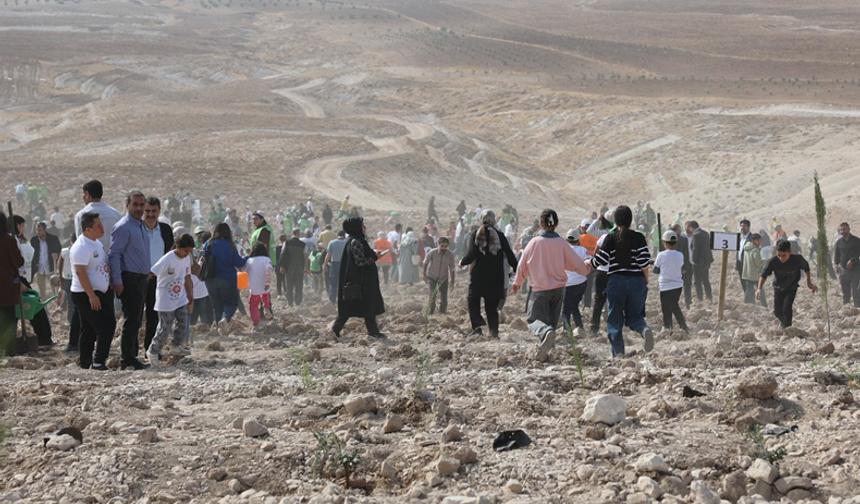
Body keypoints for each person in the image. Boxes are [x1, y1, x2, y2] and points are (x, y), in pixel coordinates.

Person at [514, 210, 589, 361]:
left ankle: (545, 337)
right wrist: (585, 269)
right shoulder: (562, 242)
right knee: (551, 324)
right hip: (559, 290)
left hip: (540, 289)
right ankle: (548, 353)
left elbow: (523, 265)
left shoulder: (534, 243)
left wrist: (517, 282)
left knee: (533, 319)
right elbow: (575, 263)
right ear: (556, 224)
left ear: (541, 224)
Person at [590, 206, 653, 358]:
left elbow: (600, 260)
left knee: (614, 321)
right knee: (635, 317)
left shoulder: (610, 238)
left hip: (616, 282)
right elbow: (644, 262)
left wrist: (588, 263)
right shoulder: (639, 237)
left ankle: (618, 355)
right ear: (631, 221)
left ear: (615, 221)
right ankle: (644, 330)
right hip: (637, 281)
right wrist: (645, 280)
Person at [108, 191, 151, 371]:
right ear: (127, 206)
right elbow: (114, 254)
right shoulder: (123, 226)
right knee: (131, 320)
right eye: (135, 204)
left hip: (140, 279)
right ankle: (127, 359)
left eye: (142, 205)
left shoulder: (140, 225)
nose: (139, 208)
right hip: (129, 278)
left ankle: (131, 356)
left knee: (136, 319)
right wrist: (117, 281)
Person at [327, 217, 386, 338]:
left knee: (366, 306)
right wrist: (375, 257)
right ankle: (335, 329)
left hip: (362, 281)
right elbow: (360, 261)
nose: (365, 228)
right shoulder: (355, 241)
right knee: (352, 307)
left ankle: (373, 331)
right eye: (362, 225)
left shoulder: (357, 240)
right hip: (360, 282)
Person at [70, 212, 115, 370]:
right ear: (88, 229)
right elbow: (80, 272)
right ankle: (98, 362)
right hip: (86, 294)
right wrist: (92, 296)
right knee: (107, 325)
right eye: (98, 226)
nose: (102, 228)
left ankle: (86, 363)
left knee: (88, 329)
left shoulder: (96, 242)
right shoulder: (81, 247)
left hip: (98, 292)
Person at [146, 234, 194, 367]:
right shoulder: (167, 259)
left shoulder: (187, 258)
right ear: (178, 247)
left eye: (189, 251)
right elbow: (151, 273)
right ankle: (153, 351)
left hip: (180, 297)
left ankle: (176, 345)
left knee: (183, 321)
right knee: (164, 327)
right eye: (185, 251)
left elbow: (187, 276)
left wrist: (190, 293)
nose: (187, 254)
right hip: (166, 298)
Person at [142, 197, 175, 359]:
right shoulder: (136, 228)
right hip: (138, 278)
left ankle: (151, 350)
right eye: (147, 211)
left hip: (159, 280)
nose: (150, 214)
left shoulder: (165, 230)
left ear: (159, 211)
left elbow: (170, 253)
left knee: (155, 317)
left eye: (154, 211)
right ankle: (129, 353)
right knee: (133, 317)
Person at [757, 239, 817, 328]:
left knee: (786, 308)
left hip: (791, 287)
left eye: (784, 255)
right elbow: (764, 274)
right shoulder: (773, 261)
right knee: (777, 312)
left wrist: (809, 282)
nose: (781, 258)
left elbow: (806, 268)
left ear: (790, 252)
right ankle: (784, 323)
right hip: (778, 288)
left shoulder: (797, 259)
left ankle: (788, 327)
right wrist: (759, 288)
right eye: (779, 255)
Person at [202, 223, 247, 336]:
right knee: (231, 303)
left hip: (210, 279)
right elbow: (238, 263)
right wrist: (247, 257)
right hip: (227, 278)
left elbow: (202, 258)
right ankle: (225, 319)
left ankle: (219, 328)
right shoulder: (229, 245)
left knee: (217, 306)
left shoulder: (209, 243)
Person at [653, 230, 689, 334]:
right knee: (673, 305)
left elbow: (655, 270)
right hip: (677, 285)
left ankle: (669, 326)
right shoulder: (680, 255)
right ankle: (680, 326)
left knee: (667, 307)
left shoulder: (660, 255)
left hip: (665, 285)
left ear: (665, 243)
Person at [0, 212, 25, 357]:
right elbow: (18, 262)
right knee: (9, 318)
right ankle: (8, 349)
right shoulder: (9, 241)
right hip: (7, 285)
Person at [75, 180, 122, 250]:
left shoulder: (82, 215)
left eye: (84, 194)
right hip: (113, 258)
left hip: (94, 259)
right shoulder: (116, 214)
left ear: (87, 195)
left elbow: (81, 242)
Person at [562, 229, 590, 335]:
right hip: (581, 283)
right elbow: (589, 262)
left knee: (565, 309)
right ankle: (579, 327)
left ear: (566, 239)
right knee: (574, 306)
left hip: (567, 284)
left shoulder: (563, 250)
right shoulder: (583, 250)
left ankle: (566, 330)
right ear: (579, 239)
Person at [57, 235, 82, 352]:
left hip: (70, 279)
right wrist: (60, 275)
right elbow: (60, 262)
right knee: (73, 303)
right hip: (73, 279)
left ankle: (72, 322)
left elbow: (59, 263)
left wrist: (60, 275)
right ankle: (72, 322)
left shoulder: (67, 251)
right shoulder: (69, 251)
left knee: (72, 303)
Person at [243, 243, 275, 327]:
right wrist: (267, 282)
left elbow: (244, 271)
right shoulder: (266, 259)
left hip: (254, 287)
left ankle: (256, 322)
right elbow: (269, 269)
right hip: (264, 286)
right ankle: (266, 308)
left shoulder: (249, 261)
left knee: (253, 304)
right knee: (265, 295)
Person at [423, 237, 456, 315]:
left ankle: (442, 312)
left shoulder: (450, 255)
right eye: (442, 246)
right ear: (438, 245)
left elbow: (452, 268)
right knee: (432, 294)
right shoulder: (432, 252)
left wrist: (452, 282)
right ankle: (431, 311)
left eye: (445, 246)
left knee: (444, 297)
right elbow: (425, 262)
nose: (444, 248)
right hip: (432, 276)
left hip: (444, 278)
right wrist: (424, 273)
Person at [30, 222, 61, 300]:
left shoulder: (53, 238)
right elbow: (31, 253)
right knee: (42, 290)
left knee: (55, 288)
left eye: (40, 230)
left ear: (45, 230)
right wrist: (34, 263)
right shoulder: (33, 240)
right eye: (37, 230)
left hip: (50, 268)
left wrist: (56, 254)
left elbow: (59, 249)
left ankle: (57, 303)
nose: (38, 232)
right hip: (39, 269)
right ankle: (44, 307)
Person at [279, 228, 308, 307]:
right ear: (298, 234)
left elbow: (283, 254)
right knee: (299, 286)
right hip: (299, 268)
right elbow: (305, 256)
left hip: (289, 268)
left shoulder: (287, 242)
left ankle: (290, 302)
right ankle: (298, 302)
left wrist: (282, 266)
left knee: (289, 285)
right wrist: (306, 268)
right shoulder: (303, 244)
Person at [686, 220, 713, 303]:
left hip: (699, 262)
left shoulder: (696, 235)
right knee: (706, 280)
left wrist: (694, 261)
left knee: (697, 282)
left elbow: (695, 249)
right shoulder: (705, 233)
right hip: (706, 261)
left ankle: (700, 299)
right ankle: (709, 297)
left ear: (691, 227)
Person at [834, 222, 860, 307]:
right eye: (841, 230)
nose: (842, 231)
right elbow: (837, 254)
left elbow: (858, 252)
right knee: (845, 291)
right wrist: (836, 264)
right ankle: (847, 308)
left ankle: (857, 308)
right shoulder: (839, 242)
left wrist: (852, 260)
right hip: (843, 270)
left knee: (856, 291)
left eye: (844, 229)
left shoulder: (856, 240)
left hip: (855, 269)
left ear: (848, 229)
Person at [741, 233, 768, 307]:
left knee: (749, 290)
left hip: (747, 273)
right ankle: (764, 305)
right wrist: (766, 261)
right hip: (755, 274)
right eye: (758, 240)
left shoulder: (747, 248)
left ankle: (748, 304)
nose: (760, 242)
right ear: (753, 240)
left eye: (760, 240)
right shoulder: (756, 250)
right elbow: (758, 263)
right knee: (760, 289)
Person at [670, 223, 693, 309]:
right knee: (686, 284)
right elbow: (685, 254)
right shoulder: (683, 239)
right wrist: (685, 267)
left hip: (672, 267)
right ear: (677, 230)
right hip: (681, 266)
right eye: (679, 229)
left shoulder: (667, 239)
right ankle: (687, 302)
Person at [324, 230, 347, 303]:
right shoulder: (347, 242)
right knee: (344, 282)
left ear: (337, 235)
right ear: (344, 235)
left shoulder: (332, 242)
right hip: (345, 264)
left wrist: (325, 264)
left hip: (334, 264)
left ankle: (332, 301)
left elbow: (328, 255)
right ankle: (343, 300)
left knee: (333, 283)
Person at [737, 219, 752, 284]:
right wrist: (737, 263)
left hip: (749, 265)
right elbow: (738, 251)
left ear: (748, 227)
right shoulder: (741, 238)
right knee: (743, 283)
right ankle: (747, 294)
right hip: (741, 264)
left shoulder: (752, 238)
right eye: (741, 226)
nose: (742, 228)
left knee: (752, 284)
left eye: (744, 226)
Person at [275, 234, 287, 300]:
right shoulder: (287, 247)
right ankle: (286, 292)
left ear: (280, 240)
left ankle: (279, 294)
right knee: (285, 280)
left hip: (278, 266)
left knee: (278, 281)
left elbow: (275, 258)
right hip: (285, 266)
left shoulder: (277, 248)